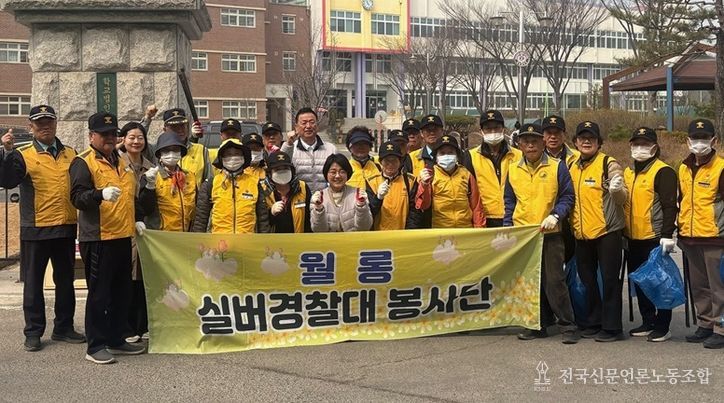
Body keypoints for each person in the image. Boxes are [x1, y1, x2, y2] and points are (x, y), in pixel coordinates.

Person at [0, 105, 85, 352]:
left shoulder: (71, 153)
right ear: (31, 127)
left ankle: (64, 327)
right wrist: (6, 152)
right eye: (39, 123)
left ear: (56, 124)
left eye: (49, 121)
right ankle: (33, 332)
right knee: (33, 283)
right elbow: (7, 180)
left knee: (65, 281)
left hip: (65, 226)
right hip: (36, 228)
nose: (45, 126)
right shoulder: (22, 154)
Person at [70, 112, 145, 364]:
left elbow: (130, 195)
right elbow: (77, 197)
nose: (110, 138)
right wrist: (99, 194)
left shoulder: (121, 160)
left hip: (123, 235)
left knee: (121, 292)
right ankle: (95, 345)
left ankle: (116, 338)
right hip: (99, 237)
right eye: (104, 134)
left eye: (113, 133)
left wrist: (137, 218)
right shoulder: (83, 162)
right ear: (92, 135)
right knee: (99, 294)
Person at [503, 122, 578, 344]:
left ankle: (567, 325)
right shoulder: (513, 169)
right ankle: (537, 324)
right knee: (530, 282)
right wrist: (508, 228)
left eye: (535, 141)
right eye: (526, 141)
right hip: (524, 235)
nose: (530, 145)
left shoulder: (557, 166)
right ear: (520, 144)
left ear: (543, 142)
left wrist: (556, 215)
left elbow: (568, 197)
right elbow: (509, 201)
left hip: (550, 233)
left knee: (554, 281)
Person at [569, 121, 628, 342]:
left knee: (610, 280)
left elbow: (622, 197)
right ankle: (594, 321)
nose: (586, 141)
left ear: (599, 142)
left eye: (591, 138)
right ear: (575, 142)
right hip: (582, 234)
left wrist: (616, 190)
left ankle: (612, 328)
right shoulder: (571, 165)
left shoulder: (608, 163)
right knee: (588, 280)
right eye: (582, 138)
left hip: (607, 232)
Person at [622, 127, 677, 342]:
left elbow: (669, 206)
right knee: (640, 282)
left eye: (644, 144)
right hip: (632, 237)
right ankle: (648, 320)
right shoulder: (628, 172)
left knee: (659, 283)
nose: (639, 148)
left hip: (654, 237)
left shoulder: (663, 171)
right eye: (636, 144)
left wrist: (667, 234)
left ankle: (663, 325)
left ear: (654, 147)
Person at [677, 119, 724, 349]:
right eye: (695, 138)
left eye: (704, 138)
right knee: (699, 286)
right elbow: (682, 200)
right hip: (690, 236)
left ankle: (721, 327)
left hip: (715, 237)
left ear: (713, 140)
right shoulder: (683, 168)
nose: (699, 142)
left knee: (719, 287)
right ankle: (705, 323)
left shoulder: (721, 168)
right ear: (688, 141)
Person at [117, 122, 153, 344]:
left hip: (146, 229)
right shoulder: (117, 163)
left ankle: (143, 325)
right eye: (131, 137)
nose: (136, 141)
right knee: (126, 277)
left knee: (143, 277)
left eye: (140, 137)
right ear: (123, 140)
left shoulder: (150, 167)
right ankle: (126, 326)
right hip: (123, 228)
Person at [192, 138, 267, 234]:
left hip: (247, 241)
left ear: (243, 157)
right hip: (218, 241)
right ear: (221, 158)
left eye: (237, 154)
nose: (233, 158)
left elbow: (263, 220)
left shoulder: (255, 183)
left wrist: (264, 241)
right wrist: (199, 241)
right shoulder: (211, 184)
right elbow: (200, 220)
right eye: (228, 154)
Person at [411, 135, 486, 229]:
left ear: (457, 156)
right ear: (436, 157)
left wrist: (479, 228)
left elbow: (476, 206)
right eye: (442, 153)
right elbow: (423, 206)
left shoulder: (466, 174)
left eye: (450, 152)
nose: (446, 156)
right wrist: (424, 185)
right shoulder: (430, 175)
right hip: (440, 230)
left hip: (465, 229)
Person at [464, 110, 521, 228]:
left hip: (513, 215)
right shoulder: (471, 156)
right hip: (485, 217)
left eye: (496, 128)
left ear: (503, 129)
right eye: (488, 129)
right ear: (481, 131)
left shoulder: (518, 155)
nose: (493, 132)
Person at [136, 131, 197, 233]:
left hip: (186, 234)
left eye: (175, 150)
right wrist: (149, 186)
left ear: (181, 153)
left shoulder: (190, 176)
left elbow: (195, 207)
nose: (171, 154)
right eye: (166, 150)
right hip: (161, 236)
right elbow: (144, 209)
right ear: (160, 154)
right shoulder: (151, 176)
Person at [310, 154, 373, 232]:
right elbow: (318, 230)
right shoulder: (319, 197)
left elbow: (365, 227)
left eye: (342, 172)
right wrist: (318, 209)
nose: (337, 176)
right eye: (333, 172)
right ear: (326, 174)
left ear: (348, 174)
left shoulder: (358, 194)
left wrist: (361, 206)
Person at [281, 108, 337, 192]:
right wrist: (288, 144)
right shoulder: (291, 148)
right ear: (296, 127)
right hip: (299, 197)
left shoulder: (331, 149)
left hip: (324, 197)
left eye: (312, 122)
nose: (308, 126)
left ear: (317, 125)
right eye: (304, 123)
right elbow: (281, 166)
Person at [368, 141, 420, 230]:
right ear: (380, 161)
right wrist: (378, 198)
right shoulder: (371, 182)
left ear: (400, 161)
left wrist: (409, 232)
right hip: (379, 234)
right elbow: (368, 213)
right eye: (387, 161)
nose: (390, 164)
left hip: (402, 234)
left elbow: (414, 211)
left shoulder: (410, 181)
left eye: (394, 160)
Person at [258, 151, 312, 233]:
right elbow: (258, 222)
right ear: (269, 173)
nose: (282, 172)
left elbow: (309, 219)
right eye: (277, 169)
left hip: (298, 239)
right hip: (272, 239)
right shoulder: (263, 189)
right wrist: (271, 213)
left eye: (286, 168)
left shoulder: (302, 187)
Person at [162, 108, 210, 188]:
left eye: (182, 125)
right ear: (165, 130)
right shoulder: (159, 152)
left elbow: (209, 180)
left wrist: (201, 195)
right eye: (174, 127)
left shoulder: (201, 150)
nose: (180, 130)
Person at [345, 126, 383, 197]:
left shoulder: (380, 166)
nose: (361, 147)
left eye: (365, 143)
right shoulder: (345, 169)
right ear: (350, 147)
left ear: (370, 146)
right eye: (357, 144)